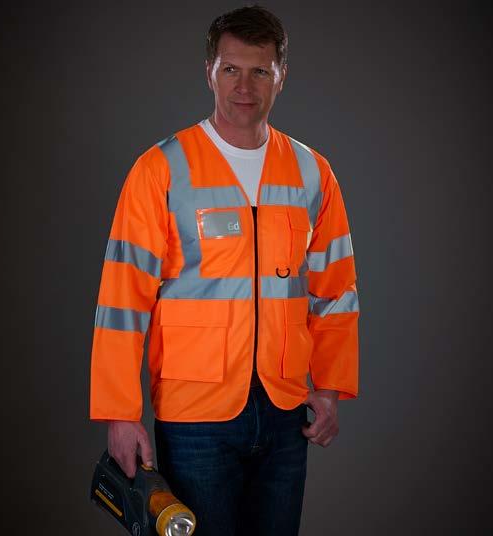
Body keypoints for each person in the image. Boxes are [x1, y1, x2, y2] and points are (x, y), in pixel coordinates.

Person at [90, 5, 360, 535]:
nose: (244, 86)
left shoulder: (313, 172)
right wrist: (120, 413)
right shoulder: (161, 169)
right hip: (195, 417)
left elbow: (336, 291)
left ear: (281, 76)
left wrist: (329, 387)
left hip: (285, 410)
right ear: (209, 71)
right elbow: (122, 300)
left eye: (260, 71)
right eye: (231, 68)